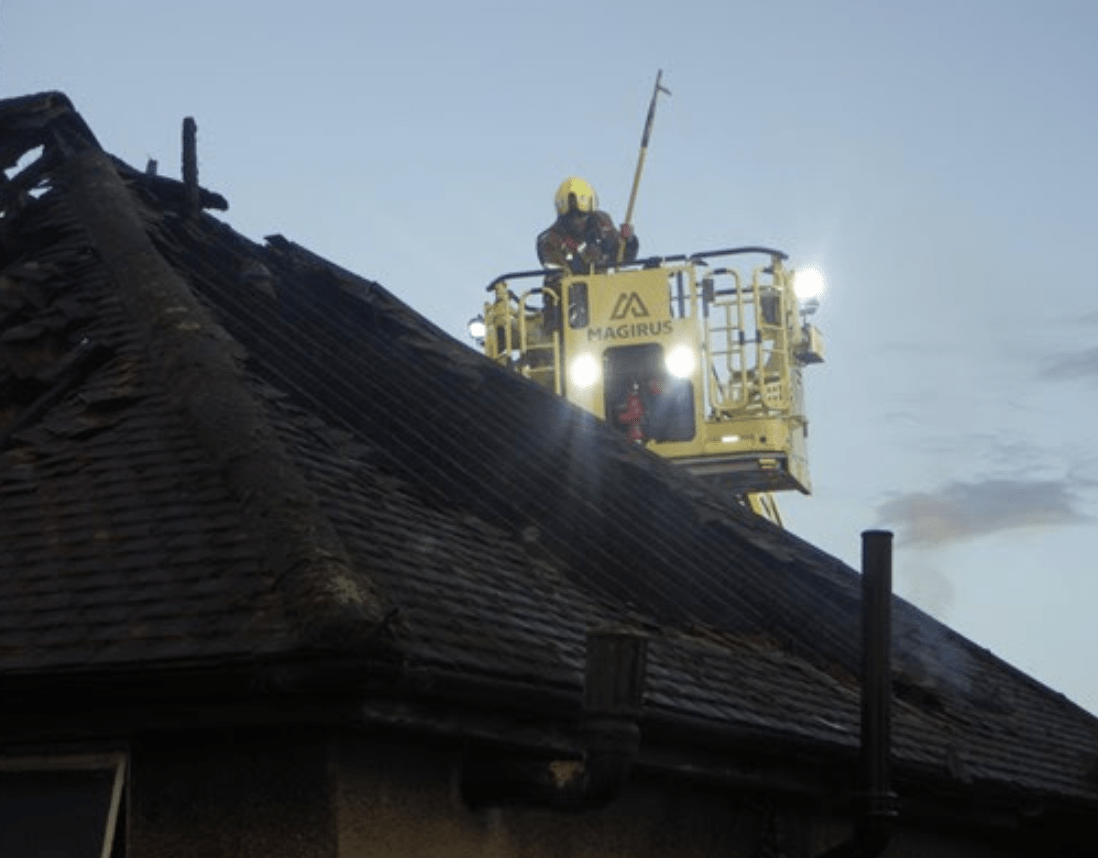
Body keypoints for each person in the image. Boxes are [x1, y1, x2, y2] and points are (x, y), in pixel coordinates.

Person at [536, 177, 639, 274]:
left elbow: (622, 257)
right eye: (571, 216)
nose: (577, 221)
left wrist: (628, 241)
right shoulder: (549, 240)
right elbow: (558, 278)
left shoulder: (601, 223)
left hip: (606, 287)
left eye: (582, 215)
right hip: (572, 290)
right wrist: (583, 260)